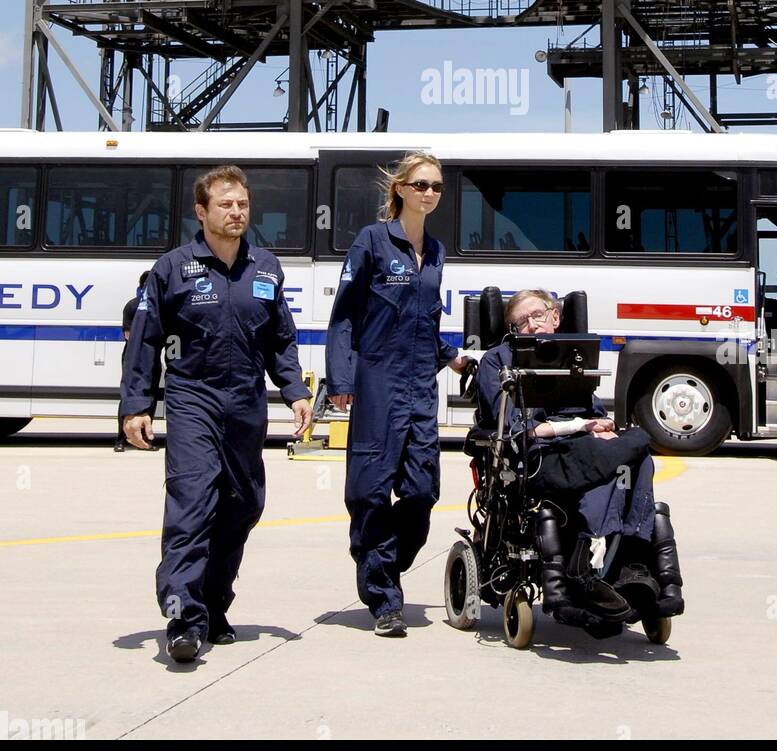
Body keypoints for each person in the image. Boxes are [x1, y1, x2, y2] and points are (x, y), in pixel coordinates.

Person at [120, 164, 312, 663]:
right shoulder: (172, 269)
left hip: (246, 402)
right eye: (225, 204)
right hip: (193, 397)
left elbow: (280, 340)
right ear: (201, 211)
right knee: (192, 499)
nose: (236, 212)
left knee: (243, 504)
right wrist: (137, 404)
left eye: (242, 204)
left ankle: (213, 602)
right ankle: (183, 614)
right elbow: (144, 341)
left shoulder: (266, 268)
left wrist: (295, 391)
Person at [326, 152, 474, 637]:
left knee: (422, 491)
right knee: (368, 493)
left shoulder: (436, 251)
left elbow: (425, 319)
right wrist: (341, 380)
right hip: (376, 385)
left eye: (436, 186)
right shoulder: (371, 242)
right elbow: (345, 316)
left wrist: (450, 355)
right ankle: (384, 599)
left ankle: (383, 566)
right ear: (401, 190)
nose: (430, 193)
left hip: (419, 390)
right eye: (421, 184)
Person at [477, 289, 685, 633]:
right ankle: (588, 568)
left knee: (637, 452)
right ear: (512, 331)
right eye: (521, 322)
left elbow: (593, 411)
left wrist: (602, 428)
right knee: (617, 456)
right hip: (540, 455)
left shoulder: (575, 355)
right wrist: (578, 427)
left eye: (538, 315)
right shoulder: (498, 360)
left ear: (556, 316)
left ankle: (631, 562)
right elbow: (517, 428)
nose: (532, 325)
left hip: (585, 447)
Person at [114, 272, 155, 453]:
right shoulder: (133, 306)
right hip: (133, 355)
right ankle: (120, 438)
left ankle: (145, 437)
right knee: (129, 398)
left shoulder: (157, 305)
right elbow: (128, 334)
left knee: (150, 396)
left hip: (152, 355)